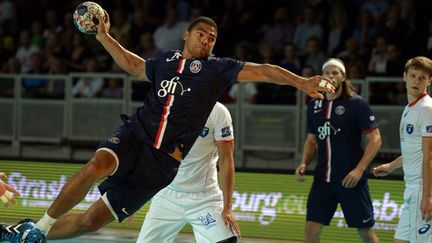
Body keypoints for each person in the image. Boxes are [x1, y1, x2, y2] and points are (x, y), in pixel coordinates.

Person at [0, 14, 334, 243]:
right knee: (97, 165)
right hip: (135, 135)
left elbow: (264, 71)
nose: (207, 39)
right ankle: (39, 227)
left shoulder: (217, 69)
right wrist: (103, 36)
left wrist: (301, 82)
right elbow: (133, 65)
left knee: (91, 221)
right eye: (201, 33)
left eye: (212, 37)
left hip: (161, 165)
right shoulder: (165, 63)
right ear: (187, 35)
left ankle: (32, 233)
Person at [295, 58, 381, 243]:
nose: (331, 76)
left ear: (344, 77)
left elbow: (375, 139)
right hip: (322, 181)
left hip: (350, 181)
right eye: (327, 72)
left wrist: (359, 170)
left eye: (335, 73)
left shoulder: (357, 104)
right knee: (311, 230)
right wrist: (304, 162)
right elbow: (311, 140)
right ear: (321, 77)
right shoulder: (314, 105)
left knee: (365, 232)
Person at [137, 102, 239, 242]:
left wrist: (227, 207)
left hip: (204, 199)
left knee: (227, 240)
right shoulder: (163, 106)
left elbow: (226, 160)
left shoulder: (218, 111)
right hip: (166, 196)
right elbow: (150, 155)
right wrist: (134, 196)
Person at [373, 56, 432, 243]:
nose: (417, 81)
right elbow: (415, 152)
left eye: (422, 77)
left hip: (422, 189)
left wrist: (427, 196)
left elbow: (429, 156)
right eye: (413, 75)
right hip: (412, 189)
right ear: (404, 76)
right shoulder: (409, 108)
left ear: (429, 81)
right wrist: (391, 165)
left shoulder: (427, 109)